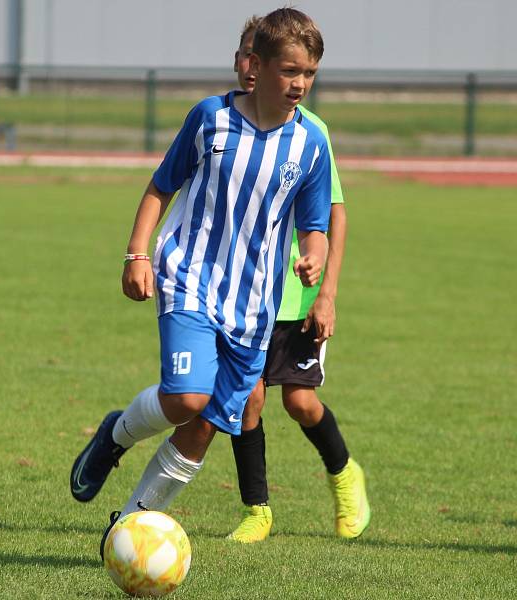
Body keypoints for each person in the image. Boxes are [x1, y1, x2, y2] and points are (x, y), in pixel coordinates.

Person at [70, 7, 331, 557]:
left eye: (309, 73)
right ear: (255, 66)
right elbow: (162, 186)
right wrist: (136, 253)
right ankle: (114, 436)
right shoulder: (210, 118)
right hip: (189, 278)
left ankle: (130, 527)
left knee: (207, 425)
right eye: (290, 71)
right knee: (188, 396)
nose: (300, 84)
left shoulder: (309, 145)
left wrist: (313, 256)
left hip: (254, 307)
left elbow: (316, 225)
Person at [225, 16, 370, 544]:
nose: (247, 67)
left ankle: (345, 475)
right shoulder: (221, 124)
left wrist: (326, 293)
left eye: (253, 56)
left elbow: (335, 215)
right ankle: (257, 511)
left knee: (300, 403)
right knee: (249, 399)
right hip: (242, 297)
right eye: (242, 56)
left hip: (296, 297)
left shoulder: (311, 133)